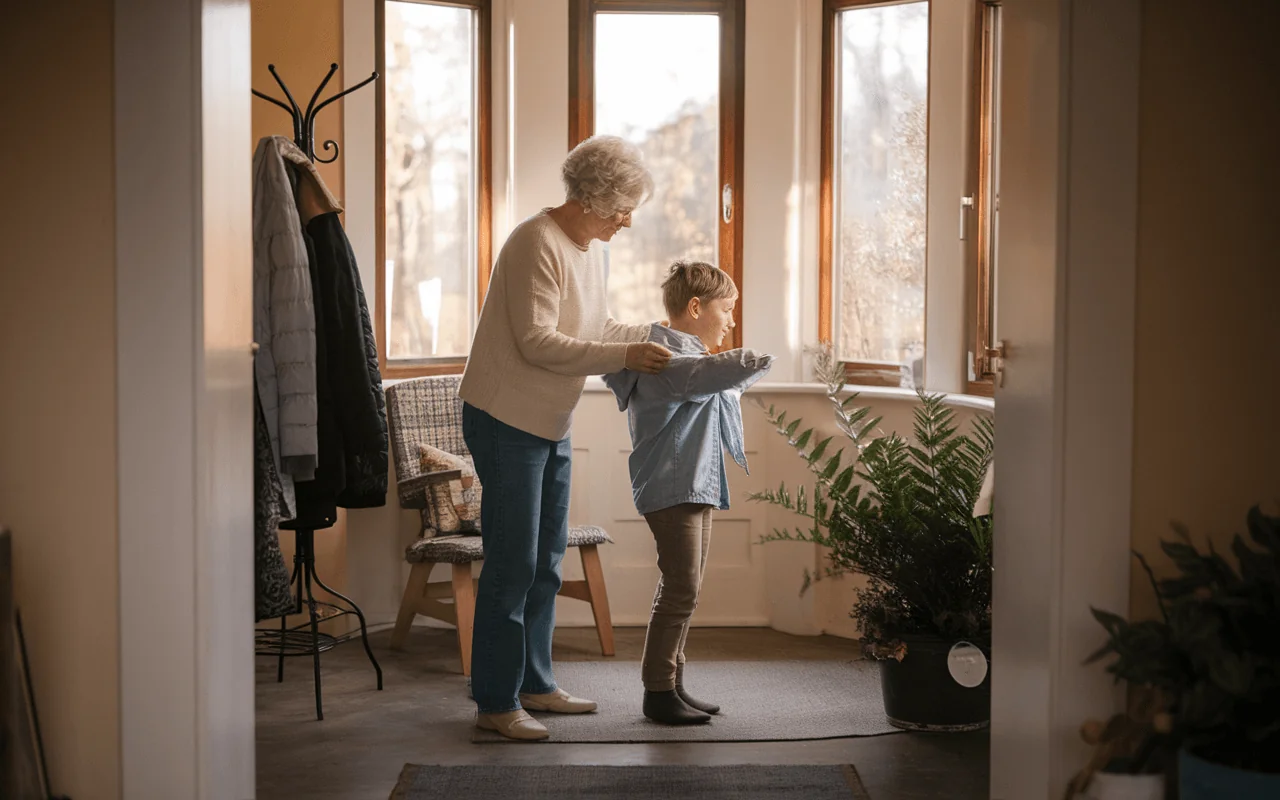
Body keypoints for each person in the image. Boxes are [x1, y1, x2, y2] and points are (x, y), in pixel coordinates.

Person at [458, 135, 673, 741]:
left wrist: (658, 335)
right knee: (513, 561)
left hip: (549, 418)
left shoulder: (588, 249)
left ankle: (534, 683)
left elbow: (595, 326)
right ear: (594, 197)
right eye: (622, 208)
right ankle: (495, 701)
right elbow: (537, 341)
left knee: (547, 558)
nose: (627, 221)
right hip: (505, 418)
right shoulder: (535, 241)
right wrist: (626, 351)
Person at [602, 261, 773, 725]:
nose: (732, 321)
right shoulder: (666, 361)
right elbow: (712, 375)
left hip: (695, 485)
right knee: (680, 588)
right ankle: (657, 692)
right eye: (728, 309)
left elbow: (718, 380)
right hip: (674, 487)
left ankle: (673, 683)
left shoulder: (687, 357)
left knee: (685, 590)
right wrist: (761, 358)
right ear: (695, 307)